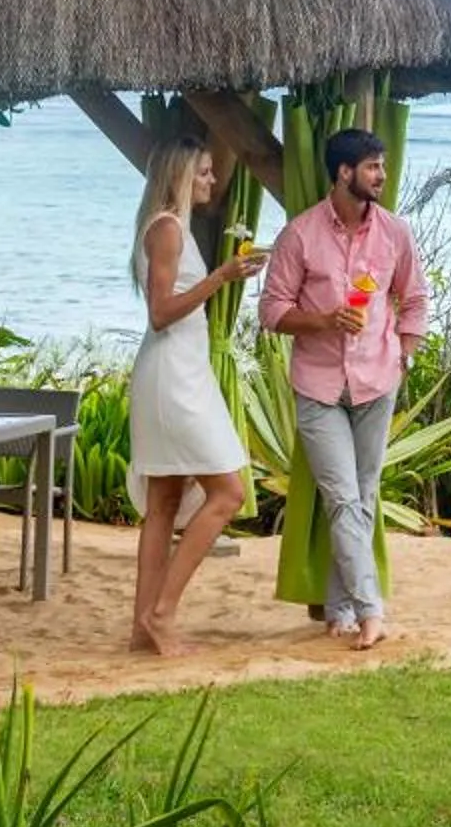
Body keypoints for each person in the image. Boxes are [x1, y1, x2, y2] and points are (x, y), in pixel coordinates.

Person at [259, 125, 427, 649]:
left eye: (382, 164)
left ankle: (338, 608)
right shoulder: (300, 235)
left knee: (363, 497)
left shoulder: (395, 233)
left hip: (379, 380)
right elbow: (271, 312)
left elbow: (415, 299)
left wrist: (405, 352)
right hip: (319, 388)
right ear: (343, 172)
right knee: (341, 496)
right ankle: (371, 610)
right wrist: (324, 320)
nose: (382, 174)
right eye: (373, 166)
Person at [125, 139, 264, 656]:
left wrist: (224, 275)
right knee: (228, 492)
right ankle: (163, 611)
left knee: (162, 505)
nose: (212, 180)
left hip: (182, 371)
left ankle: (143, 628)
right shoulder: (166, 229)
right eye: (204, 172)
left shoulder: (171, 228)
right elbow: (160, 313)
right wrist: (222, 277)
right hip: (172, 377)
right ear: (182, 176)